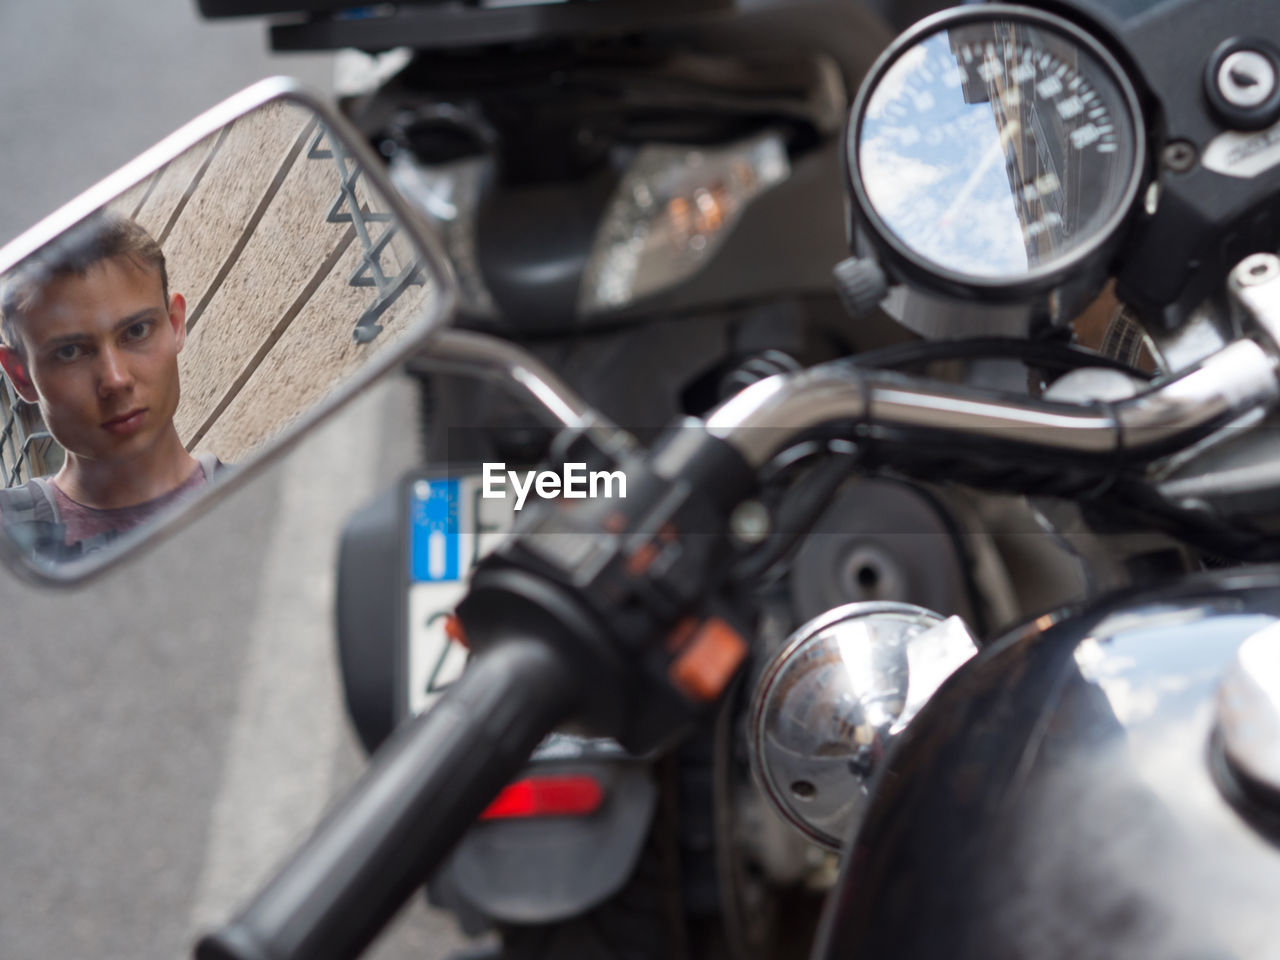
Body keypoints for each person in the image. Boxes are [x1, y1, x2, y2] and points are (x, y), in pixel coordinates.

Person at [0, 211, 218, 562]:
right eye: (70, 352)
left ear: (176, 324)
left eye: (136, 331)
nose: (115, 380)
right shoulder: (9, 542)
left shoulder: (263, 489)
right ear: (20, 374)